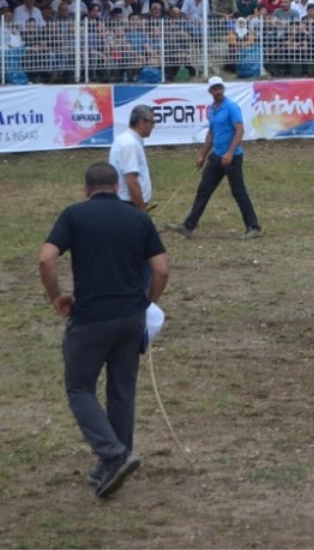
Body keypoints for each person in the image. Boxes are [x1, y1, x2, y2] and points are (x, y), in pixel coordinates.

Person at [38, 162, 170, 498]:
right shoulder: (139, 218)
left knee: (80, 388)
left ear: (86, 189)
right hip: (130, 318)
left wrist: (56, 297)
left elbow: (46, 259)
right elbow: (161, 269)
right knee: (122, 391)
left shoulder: (74, 215)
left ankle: (112, 454)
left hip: (91, 318)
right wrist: (147, 301)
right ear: (116, 187)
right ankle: (116, 460)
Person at [167, 76, 262, 240]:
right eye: (215, 89)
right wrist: (202, 154)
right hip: (216, 156)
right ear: (210, 91)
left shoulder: (231, 107)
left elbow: (239, 130)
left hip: (232, 157)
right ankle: (189, 226)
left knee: (239, 192)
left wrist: (230, 152)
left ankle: (253, 226)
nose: (218, 91)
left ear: (223, 89)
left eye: (220, 88)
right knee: (204, 190)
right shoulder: (212, 109)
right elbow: (211, 132)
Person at [109, 105, 155, 212]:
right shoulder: (130, 144)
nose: (153, 126)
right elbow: (131, 181)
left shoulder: (128, 140)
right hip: (129, 204)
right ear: (141, 122)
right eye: (151, 122)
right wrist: (142, 211)